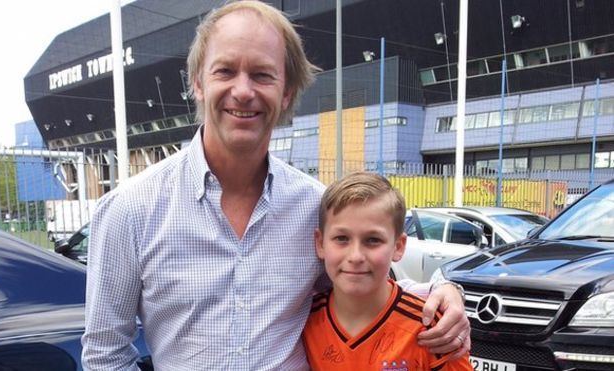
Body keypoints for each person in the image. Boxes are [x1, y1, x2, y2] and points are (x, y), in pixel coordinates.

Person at [81, 1, 469, 369]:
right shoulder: (129, 210)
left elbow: (373, 287)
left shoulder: (315, 207)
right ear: (198, 83)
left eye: (262, 74)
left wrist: (447, 292)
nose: (244, 90)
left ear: (286, 93)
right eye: (225, 71)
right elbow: (105, 354)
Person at [303, 172, 472, 370]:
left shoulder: (434, 330)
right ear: (320, 243)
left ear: (398, 246)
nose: (355, 256)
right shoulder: (303, 321)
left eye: (373, 240)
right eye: (341, 238)